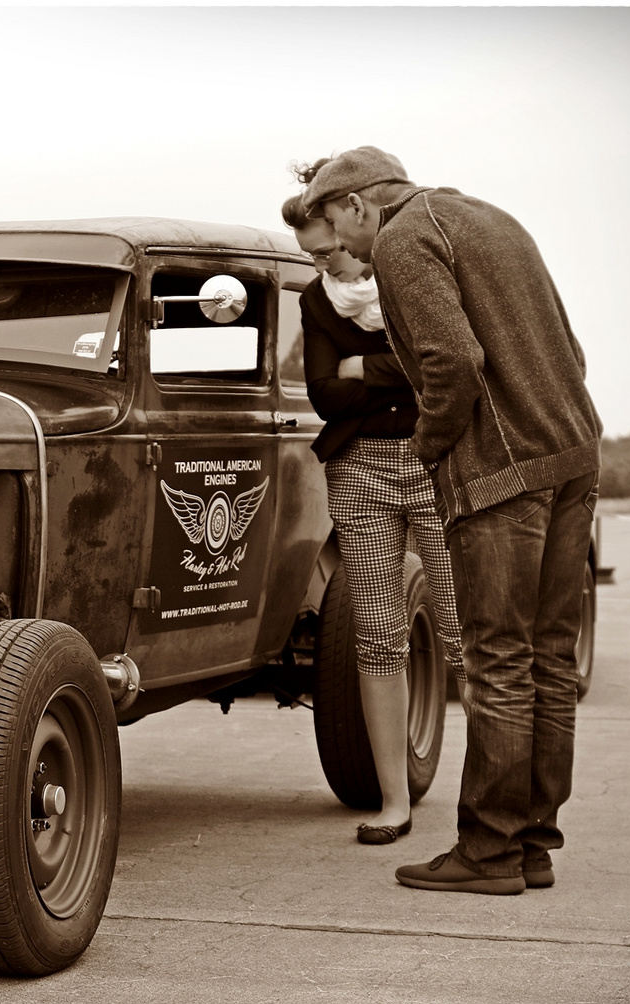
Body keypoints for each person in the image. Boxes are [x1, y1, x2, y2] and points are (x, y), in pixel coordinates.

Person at [302, 146, 601, 895]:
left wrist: (431, 449)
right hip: (571, 452)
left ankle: (488, 852)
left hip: (502, 471)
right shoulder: (489, 217)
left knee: (496, 659)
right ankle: (532, 843)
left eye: (338, 228)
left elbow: (452, 364)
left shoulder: (405, 239)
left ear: (356, 204)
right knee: (547, 659)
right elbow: (571, 349)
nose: (346, 250)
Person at [280, 169, 465, 847]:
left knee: (458, 629)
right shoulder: (316, 301)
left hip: (430, 461)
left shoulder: (411, 278)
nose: (321, 263)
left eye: (326, 249)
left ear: (351, 224)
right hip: (356, 470)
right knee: (377, 637)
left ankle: (488, 801)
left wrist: (367, 368)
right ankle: (393, 802)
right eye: (310, 256)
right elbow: (326, 395)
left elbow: (439, 367)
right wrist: (382, 371)